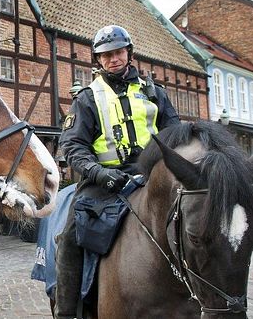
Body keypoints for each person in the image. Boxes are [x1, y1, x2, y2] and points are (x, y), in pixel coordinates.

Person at [54, 25, 180, 318]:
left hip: (152, 176)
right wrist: (98, 173)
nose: (113, 59)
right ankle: (67, 312)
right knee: (70, 238)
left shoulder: (154, 93)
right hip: (105, 181)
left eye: (118, 52)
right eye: (106, 55)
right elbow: (72, 146)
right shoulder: (87, 98)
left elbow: (176, 135)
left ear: (129, 53)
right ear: (98, 60)